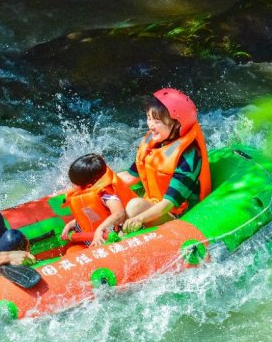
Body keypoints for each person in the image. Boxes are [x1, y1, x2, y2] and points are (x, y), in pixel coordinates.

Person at [118, 87, 211, 234]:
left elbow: (169, 203)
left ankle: (118, 241)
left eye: (156, 121)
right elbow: (130, 176)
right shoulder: (157, 143)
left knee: (134, 206)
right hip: (153, 204)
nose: (150, 125)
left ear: (177, 124)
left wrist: (139, 218)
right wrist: (98, 186)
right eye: (149, 118)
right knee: (116, 199)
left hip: (178, 216)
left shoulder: (188, 157)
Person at [60, 153, 138, 246]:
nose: (71, 186)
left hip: (114, 234)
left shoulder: (106, 193)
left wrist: (100, 229)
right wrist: (71, 224)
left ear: (88, 186)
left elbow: (119, 213)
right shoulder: (87, 193)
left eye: (74, 184)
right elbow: (93, 216)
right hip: (97, 236)